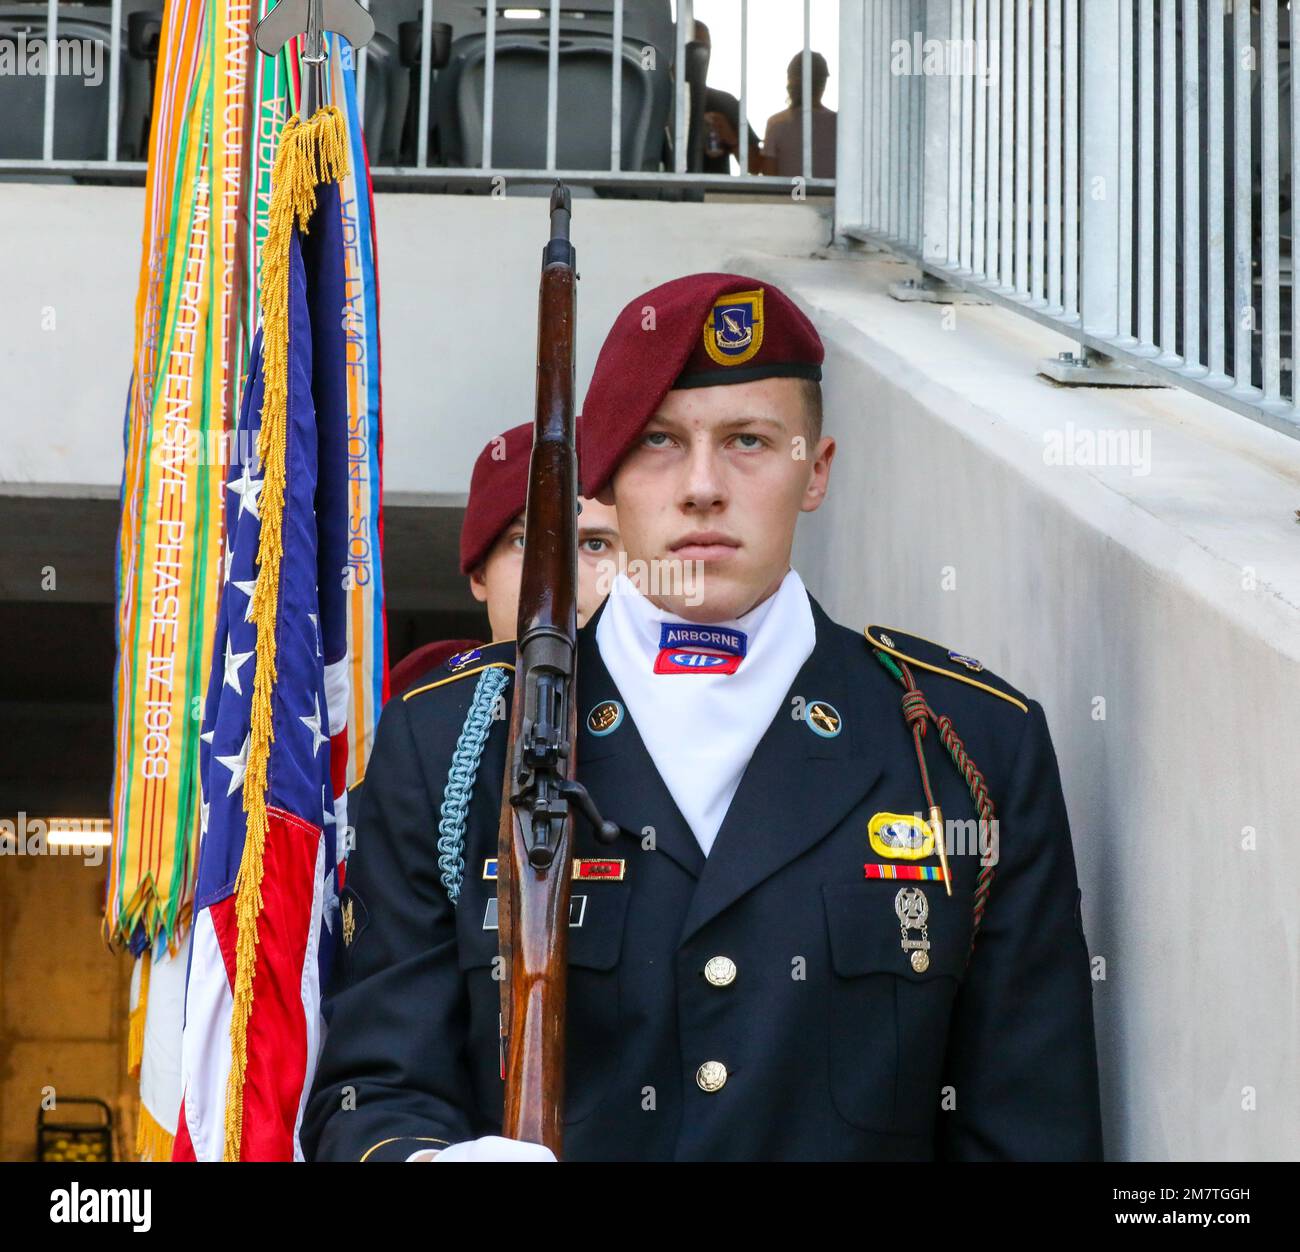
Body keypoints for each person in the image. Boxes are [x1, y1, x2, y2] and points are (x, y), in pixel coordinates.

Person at [302, 273, 1103, 1162]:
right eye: (658, 443)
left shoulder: (968, 749)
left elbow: (1033, 1129)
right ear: (601, 481)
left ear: (816, 470)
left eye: (749, 441)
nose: (702, 487)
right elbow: (367, 1092)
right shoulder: (451, 740)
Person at [387, 421, 621, 696]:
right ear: (479, 574)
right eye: (525, 542)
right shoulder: (424, 697)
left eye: (594, 545)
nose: (557, 577)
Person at [692, 20, 765, 176]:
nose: (703, 55)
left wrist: (731, 138)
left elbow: (755, 166)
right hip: (657, 195)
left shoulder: (724, 103)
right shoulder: (657, 98)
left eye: (707, 48)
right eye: (696, 48)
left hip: (714, 195)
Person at [762, 51, 837, 178]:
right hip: (832, 197)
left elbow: (770, 178)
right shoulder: (840, 124)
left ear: (789, 80)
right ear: (823, 82)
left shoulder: (776, 123)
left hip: (794, 196)